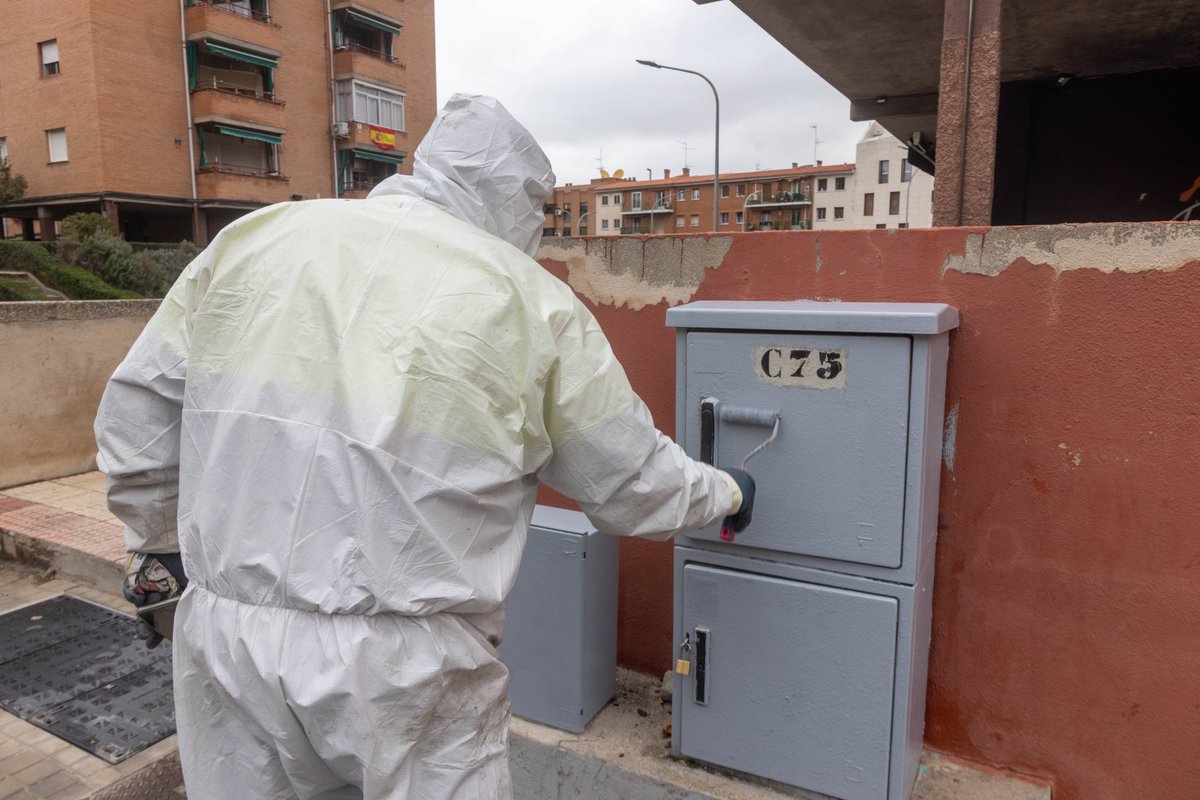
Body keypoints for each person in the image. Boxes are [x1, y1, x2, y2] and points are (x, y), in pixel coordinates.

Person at [95, 94, 754, 800]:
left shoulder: (256, 239)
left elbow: (138, 412)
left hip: (226, 639)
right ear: (519, 200)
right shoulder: (530, 302)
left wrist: (158, 545)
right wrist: (729, 492)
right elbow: (632, 484)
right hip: (406, 671)